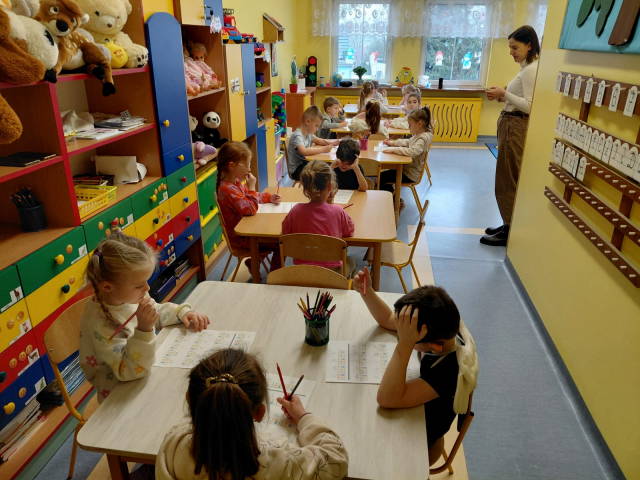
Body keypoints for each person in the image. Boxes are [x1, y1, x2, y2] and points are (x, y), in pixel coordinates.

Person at [156, 348, 349, 480]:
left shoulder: (173, 445)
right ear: (260, 413)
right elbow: (336, 457)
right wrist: (304, 417)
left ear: (190, 401)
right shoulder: (278, 461)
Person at [352, 268, 478, 466]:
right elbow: (388, 319)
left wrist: (404, 345)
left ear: (434, 346)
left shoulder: (448, 371)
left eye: (407, 336)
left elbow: (387, 398)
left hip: (420, 438)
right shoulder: (442, 328)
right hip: (413, 412)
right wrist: (367, 292)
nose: (400, 333)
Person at [80, 232, 210, 402]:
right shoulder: (101, 324)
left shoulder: (129, 295)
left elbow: (155, 311)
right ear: (107, 287)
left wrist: (181, 312)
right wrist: (144, 329)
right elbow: (126, 372)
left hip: (144, 372)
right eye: (139, 285)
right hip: (119, 395)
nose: (147, 288)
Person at [482, 25, 540, 247]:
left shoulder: (531, 70)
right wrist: (504, 96)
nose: (511, 52)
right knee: (507, 176)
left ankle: (510, 228)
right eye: (510, 48)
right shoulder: (526, 69)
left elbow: (530, 106)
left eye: (515, 48)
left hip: (515, 127)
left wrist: (504, 93)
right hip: (510, 124)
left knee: (507, 179)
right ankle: (508, 222)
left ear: (529, 46)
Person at [216, 142, 282, 274]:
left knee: (277, 236)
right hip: (243, 238)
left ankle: (255, 262)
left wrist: (268, 197)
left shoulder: (235, 183)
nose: (249, 169)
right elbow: (250, 209)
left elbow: (250, 197)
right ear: (231, 165)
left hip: (249, 230)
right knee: (280, 242)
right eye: (247, 165)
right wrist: (252, 186)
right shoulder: (227, 189)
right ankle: (275, 276)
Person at [282, 160, 354, 269]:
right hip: (331, 273)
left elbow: (285, 232)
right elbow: (349, 231)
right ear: (330, 187)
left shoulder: (296, 210)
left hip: (302, 271)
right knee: (351, 262)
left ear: (305, 188)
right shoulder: (338, 211)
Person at [379, 106, 433, 192]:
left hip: (409, 175)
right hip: (408, 171)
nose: (409, 127)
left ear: (419, 124)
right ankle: (392, 196)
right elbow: (408, 141)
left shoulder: (422, 138)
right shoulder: (420, 135)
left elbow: (412, 152)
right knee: (384, 175)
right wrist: (392, 143)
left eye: (410, 125)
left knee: (381, 177)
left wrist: (393, 149)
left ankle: (392, 198)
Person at [287, 106, 338, 181]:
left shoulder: (308, 133)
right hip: (297, 170)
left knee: (324, 168)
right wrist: (323, 149)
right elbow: (304, 151)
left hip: (305, 164)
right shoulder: (297, 135)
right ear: (307, 122)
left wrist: (333, 143)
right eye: (316, 126)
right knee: (322, 173)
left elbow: (319, 141)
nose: (317, 129)